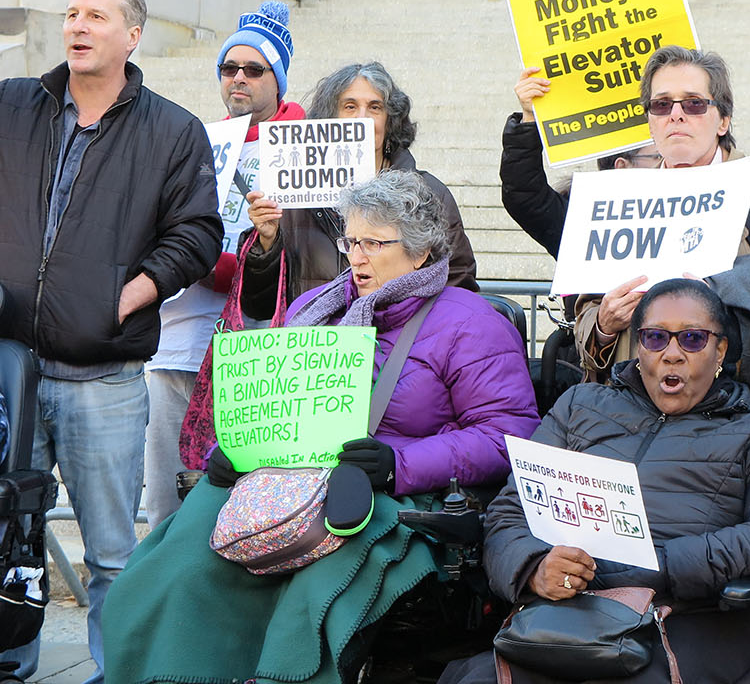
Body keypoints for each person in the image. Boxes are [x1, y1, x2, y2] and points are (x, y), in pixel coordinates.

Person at [101, 171, 541, 684]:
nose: (356, 257)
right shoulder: (315, 308)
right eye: (351, 240)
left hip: (390, 495)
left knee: (316, 590)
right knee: (172, 568)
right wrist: (233, 446)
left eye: (374, 243)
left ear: (420, 254)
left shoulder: (470, 322)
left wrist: (399, 464)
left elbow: (507, 437)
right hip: (282, 481)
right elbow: (271, 401)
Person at [0, 0, 222, 684]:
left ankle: (116, 670)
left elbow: (197, 233)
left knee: (110, 554)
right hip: (11, 369)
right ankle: (11, 662)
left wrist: (133, 292)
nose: (77, 26)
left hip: (104, 376)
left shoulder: (174, 131)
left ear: (132, 34)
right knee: (10, 539)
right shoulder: (12, 106)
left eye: (96, 15)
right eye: (70, 13)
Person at [439, 277, 750, 684]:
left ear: (720, 350)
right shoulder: (580, 406)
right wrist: (534, 568)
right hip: (567, 614)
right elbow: (508, 513)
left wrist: (663, 563)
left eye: (692, 339)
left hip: (688, 618)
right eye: (655, 338)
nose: (671, 354)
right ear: (640, 347)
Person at [573, 46, 750, 446]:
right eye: (661, 104)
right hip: (632, 424)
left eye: (693, 103)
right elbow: (586, 312)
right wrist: (604, 325)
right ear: (650, 122)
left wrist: (742, 350)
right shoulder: (619, 199)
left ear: (722, 119)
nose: (676, 114)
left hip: (740, 423)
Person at [144, 1, 304, 528]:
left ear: (277, 81)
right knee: (164, 504)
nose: (238, 78)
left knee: (237, 509)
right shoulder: (197, 140)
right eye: (228, 68)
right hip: (177, 341)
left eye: (253, 69)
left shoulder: (303, 144)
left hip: (255, 350)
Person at [240, 60, 478, 321]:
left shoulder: (429, 193)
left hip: (401, 351)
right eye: (350, 107)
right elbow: (258, 306)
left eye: (375, 107)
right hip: (317, 353)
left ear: (390, 121)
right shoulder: (292, 199)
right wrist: (266, 243)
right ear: (329, 118)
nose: (362, 118)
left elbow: (458, 285)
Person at [501, 66, 661, 260]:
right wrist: (530, 118)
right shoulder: (578, 219)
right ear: (622, 166)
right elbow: (525, 193)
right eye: (657, 157)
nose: (667, 164)